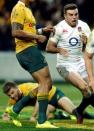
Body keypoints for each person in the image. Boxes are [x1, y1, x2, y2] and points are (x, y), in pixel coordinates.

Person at [46, 3, 94, 124]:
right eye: (71, 15)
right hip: (65, 65)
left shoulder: (83, 26)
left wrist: (87, 42)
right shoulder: (59, 28)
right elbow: (48, 47)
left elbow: (92, 46)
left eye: (76, 14)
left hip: (80, 63)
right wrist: (59, 50)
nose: (74, 17)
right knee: (84, 88)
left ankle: (79, 111)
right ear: (65, 16)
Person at [10, 0, 56, 128]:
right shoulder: (19, 8)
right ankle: (41, 121)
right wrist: (36, 37)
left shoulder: (27, 8)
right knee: (45, 83)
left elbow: (28, 29)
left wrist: (42, 31)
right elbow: (16, 32)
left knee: (47, 84)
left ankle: (15, 109)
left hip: (29, 50)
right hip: (27, 50)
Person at [2, 81, 94, 126]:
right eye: (9, 95)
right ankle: (58, 115)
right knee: (45, 117)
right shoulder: (13, 99)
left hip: (53, 94)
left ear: (17, 88)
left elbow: (39, 100)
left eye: (12, 92)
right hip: (47, 105)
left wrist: (33, 116)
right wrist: (5, 117)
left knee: (74, 111)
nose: (12, 96)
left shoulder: (27, 88)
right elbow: (7, 113)